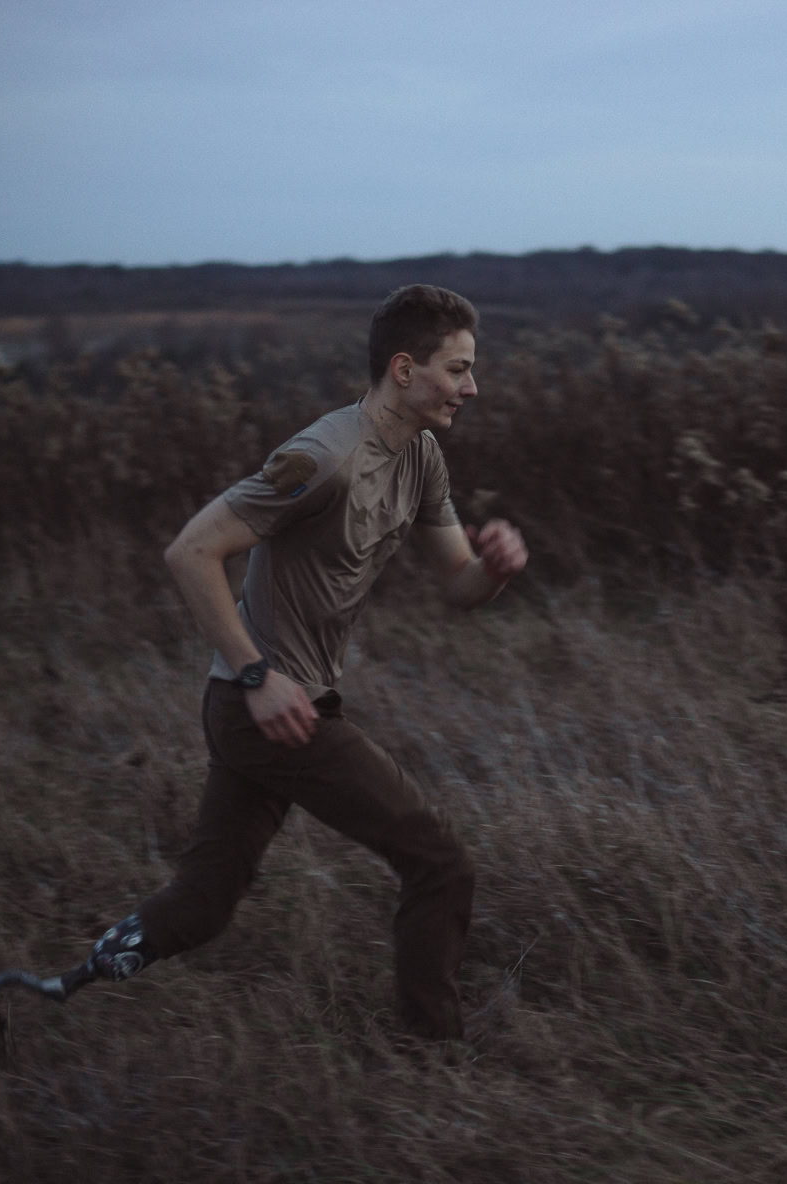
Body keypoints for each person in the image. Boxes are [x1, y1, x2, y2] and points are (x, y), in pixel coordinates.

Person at [85, 284, 525, 1042]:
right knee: (440, 864)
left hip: (281, 706)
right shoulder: (322, 458)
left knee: (202, 906)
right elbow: (191, 551)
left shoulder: (421, 458)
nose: (472, 387)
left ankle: (55, 985)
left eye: (470, 370)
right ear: (403, 368)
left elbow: (457, 585)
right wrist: (257, 676)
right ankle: (434, 1057)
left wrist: (494, 568)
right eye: (457, 370)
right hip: (265, 709)